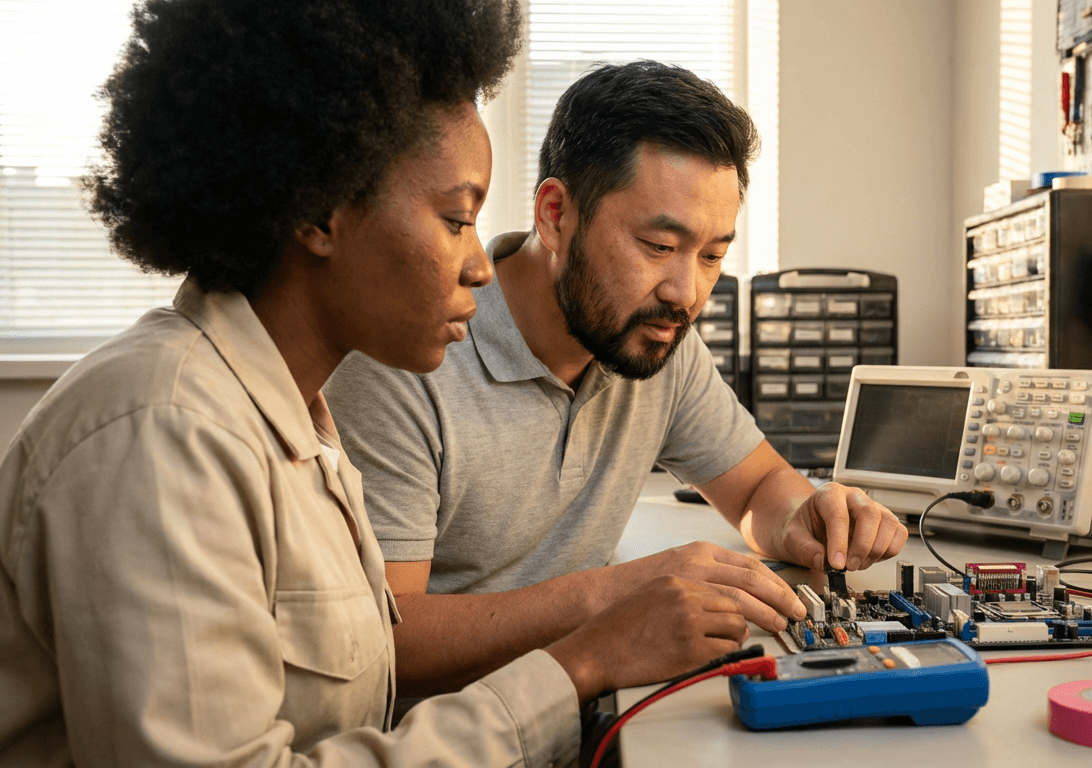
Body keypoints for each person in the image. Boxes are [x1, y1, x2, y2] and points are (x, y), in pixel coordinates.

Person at [0, 4, 751, 765]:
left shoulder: (299, 427)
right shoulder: (162, 436)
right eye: (457, 220)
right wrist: (582, 660)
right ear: (322, 210)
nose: (480, 265)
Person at [323, 61, 909, 697]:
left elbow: (756, 487)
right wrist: (613, 594)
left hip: (580, 710)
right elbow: (388, 640)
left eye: (713, 255)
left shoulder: (653, 338)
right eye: (659, 246)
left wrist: (805, 515)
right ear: (555, 216)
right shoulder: (408, 357)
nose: (687, 293)